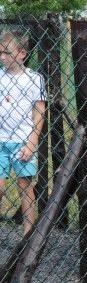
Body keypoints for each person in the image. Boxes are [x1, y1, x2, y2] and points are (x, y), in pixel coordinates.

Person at [0, 31, 46, 237]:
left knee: (24, 186)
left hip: (23, 141)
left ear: (22, 53)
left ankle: (29, 233)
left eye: (7, 53)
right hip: (0, 140)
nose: (2, 57)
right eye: (0, 53)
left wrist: (31, 142)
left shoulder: (34, 79)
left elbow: (39, 112)